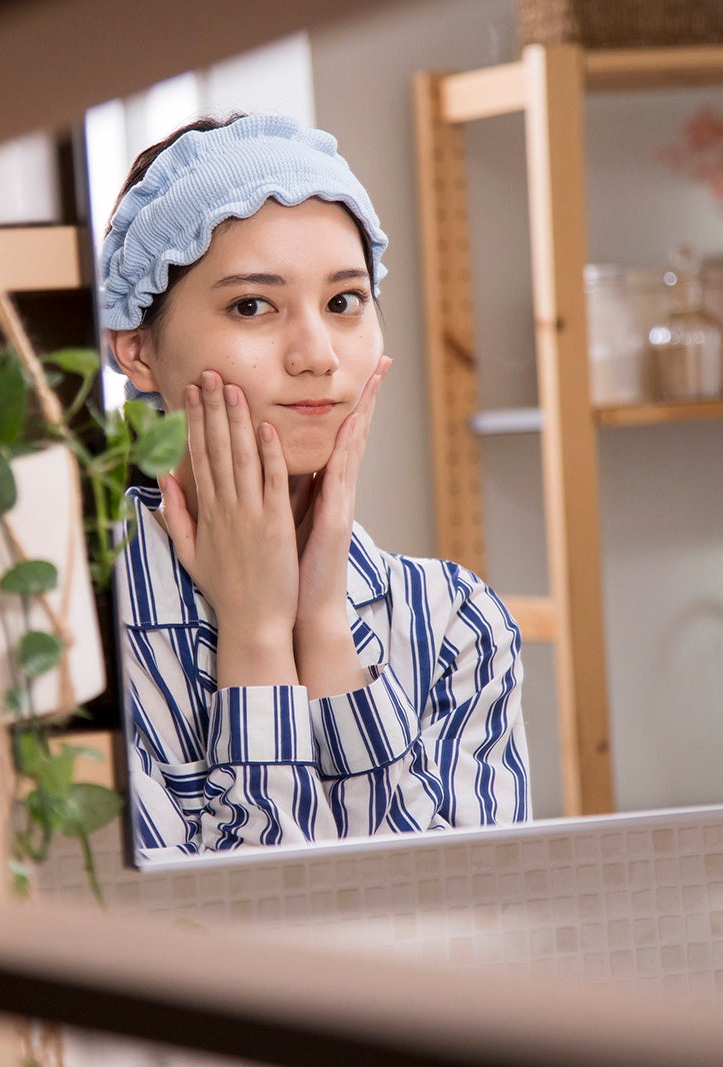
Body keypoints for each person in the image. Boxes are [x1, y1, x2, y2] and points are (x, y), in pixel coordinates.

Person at [99, 114, 531, 857]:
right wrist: (256, 638)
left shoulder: (458, 624)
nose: (317, 355)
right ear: (137, 351)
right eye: (251, 305)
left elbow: (450, 909)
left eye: (343, 302)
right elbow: (242, 920)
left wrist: (324, 625)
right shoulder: (74, 634)